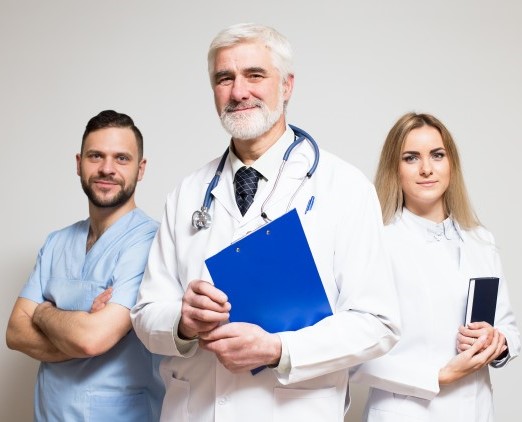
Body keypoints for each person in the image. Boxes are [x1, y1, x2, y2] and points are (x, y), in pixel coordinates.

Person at [130, 23, 400, 422]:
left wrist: (279, 349)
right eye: (225, 78)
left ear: (287, 86)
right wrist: (182, 323)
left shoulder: (344, 188)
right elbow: (145, 314)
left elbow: (378, 324)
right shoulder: (187, 193)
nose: (239, 92)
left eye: (255, 75)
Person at [350, 112, 520, 421]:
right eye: (411, 158)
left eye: (437, 155)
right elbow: (353, 356)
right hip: (407, 412)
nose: (427, 168)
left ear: (451, 163)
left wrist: (499, 341)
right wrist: (437, 375)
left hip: (477, 410)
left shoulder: (480, 239)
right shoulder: (377, 242)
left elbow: (508, 325)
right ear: (394, 168)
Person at [6, 110, 164, 421]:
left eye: (121, 158)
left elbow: (91, 339)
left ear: (140, 169)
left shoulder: (151, 242)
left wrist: (42, 312)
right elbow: (14, 332)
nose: (107, 169)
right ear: (79, 163)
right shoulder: (56, 243)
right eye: (96, 156)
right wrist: (79, 330)